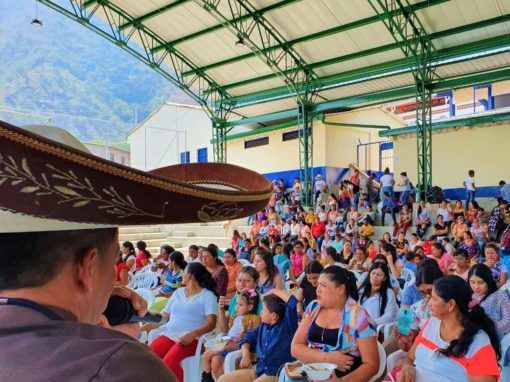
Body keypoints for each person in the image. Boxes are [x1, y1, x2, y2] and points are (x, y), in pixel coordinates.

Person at [397, 276, 501, 382]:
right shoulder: (432, 323)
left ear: (451, 304)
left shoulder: (479, 343)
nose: (429, 303)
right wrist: (408, 368)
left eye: (434, 298)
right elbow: (409, 358)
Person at [291, 266, 379, 380]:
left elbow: (372, 365)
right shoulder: (314, 307)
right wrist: (328, 358)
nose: (317, 290)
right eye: (318, 285)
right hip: (311, 374)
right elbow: (295, 347)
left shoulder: (358, 316)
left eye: (323, 285)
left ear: (340, 289)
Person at [148, 262, 218, 381]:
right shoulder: (178, 292)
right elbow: (165, 316)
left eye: (184, 272)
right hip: (170, 335)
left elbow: (211, 323)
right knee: (147, 358)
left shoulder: (207, 295)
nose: (182, 275)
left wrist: (193, 334)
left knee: (168, 363)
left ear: (190, 275)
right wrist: (143, 326)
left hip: (193, 340)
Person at [218, 289, 298, 382]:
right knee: (223, 380)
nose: (260, 313)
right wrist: (245, 354)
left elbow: (292, 302)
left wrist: (273, 291)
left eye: (263, 311)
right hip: (258, 371)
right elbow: (248, 338)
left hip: (277, 374)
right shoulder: (263, 326)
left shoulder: (287, 327)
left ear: (273, 316)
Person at [201, 289, 261, 382]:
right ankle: (207, 376)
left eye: (240, 305)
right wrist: (219, 341)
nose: (236, 307)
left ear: (249, 307)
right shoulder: (235, 317)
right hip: (227, 339)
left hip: (236, 344)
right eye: (236, 304)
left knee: (222, 356)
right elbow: (228, 330)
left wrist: (245, 334)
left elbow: (253, 335)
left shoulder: (254, 318)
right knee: (206, 354)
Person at [468, 264, 510, 339]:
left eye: (480, 282)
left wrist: (487, 330)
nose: (476, 287)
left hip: (497, 340)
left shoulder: (500, 295)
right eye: (472, 282)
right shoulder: (469, 297)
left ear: (488, 281)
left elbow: (508, 320)